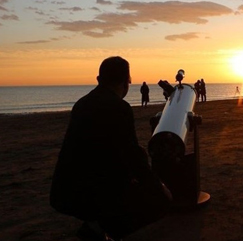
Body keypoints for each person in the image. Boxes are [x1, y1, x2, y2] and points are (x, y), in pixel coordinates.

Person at [50, 56, 171, 241]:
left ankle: (97, 226)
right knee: (161, 202)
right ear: (126, 82)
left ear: (98, 80)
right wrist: (157, 186)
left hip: (64, 191)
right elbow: (133, 158)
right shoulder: (119, 107)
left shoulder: (82, 104)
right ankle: (101, 229)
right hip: (90, 193)